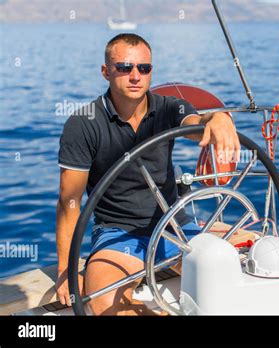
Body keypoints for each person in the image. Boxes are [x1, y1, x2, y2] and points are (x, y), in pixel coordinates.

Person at [55, 33, 239, 315]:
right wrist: (66, 270)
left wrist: (216, 118)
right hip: (119, 235)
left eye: (144, 68)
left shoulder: (169, 107)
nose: (135, 76)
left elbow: (195, 124)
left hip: (174, 227)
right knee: (104, 304)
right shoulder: (82, 124)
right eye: (124, 67)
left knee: (250, 259)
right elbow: (69, 204)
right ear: (106, 71)